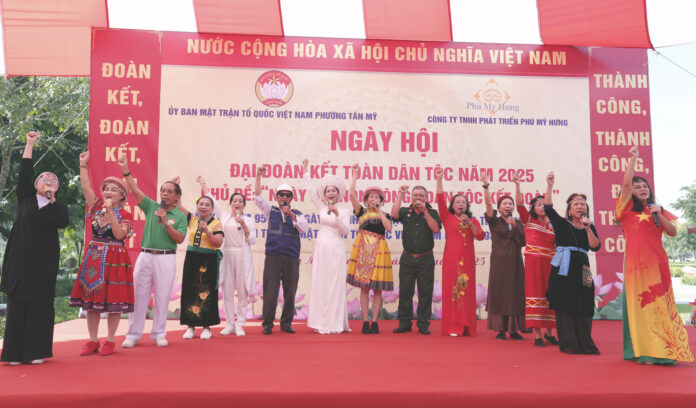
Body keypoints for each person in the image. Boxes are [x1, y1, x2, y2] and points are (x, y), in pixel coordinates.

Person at [617, 146, 693, 364]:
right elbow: (625, 184)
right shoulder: (625, 210)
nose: (642, 188)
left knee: (660, 307)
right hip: (636, 267)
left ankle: (664, 350)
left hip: (658, 265)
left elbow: (672, 232)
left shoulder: (657, 209)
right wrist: (633, 159)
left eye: (645, 186)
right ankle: (644, 351)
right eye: (637, 186)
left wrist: (659, 214)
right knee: (642, 307)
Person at [1, 131, 69, 365]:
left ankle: (35, 352)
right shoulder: (25, 198)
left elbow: (62, 222)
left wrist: (52, 200)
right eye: (43, 179)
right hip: (19, 263)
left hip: (43, 266)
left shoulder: (58, 207)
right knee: (17, 306)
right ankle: (13, 354)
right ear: (34, 184)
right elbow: (25, 171)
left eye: (53, 181)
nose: (48, 182)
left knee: (40, 307)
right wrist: (30, 143)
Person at [118, 154, 188, 348]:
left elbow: (180, 239)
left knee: (163, 297)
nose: (164, 194)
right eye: (163, 190)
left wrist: (166, 223)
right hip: (146, 255)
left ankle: (159, 333)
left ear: (177, 196)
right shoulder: (151, 206)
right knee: (138, 296)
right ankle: (133, 334)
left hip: (166, 258)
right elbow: (134, 189)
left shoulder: (180, 216)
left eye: (169, 191)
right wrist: (125, 169)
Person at [69, 152, 134, 356]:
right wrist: (82, 165)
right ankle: (93, 339)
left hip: (115, 258)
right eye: (106, 188)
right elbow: (85, 187)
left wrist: (110, 212)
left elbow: (119, 234)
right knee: (91, 300)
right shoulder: (96, 206)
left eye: (114, 189)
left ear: (122, 196)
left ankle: (110, 340)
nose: (108, 191)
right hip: (95, 257)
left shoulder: (126, 214)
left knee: (114, 302)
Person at [544, 172, 601, 355]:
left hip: (583, 268)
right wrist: (550, 186)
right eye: (576, 204)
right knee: (565, 303)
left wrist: (588, 229)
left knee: (585, 302)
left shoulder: (590, 226)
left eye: (582, 204)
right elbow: (548, 208)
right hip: (563, 268)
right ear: (569, 210)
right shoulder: (561, 223)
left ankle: (585, 343)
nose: (579, 206)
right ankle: (569, 344)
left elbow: (595, 246)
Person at [198, 177, 256, 337]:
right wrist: (203, 184)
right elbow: (212, 200)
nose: (237, 203)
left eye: (240, 201)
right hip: (227, 255)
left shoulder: (249, 220)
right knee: (228, 290)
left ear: (244, 205)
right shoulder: (223, 216)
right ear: (230, 204)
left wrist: (243, 224)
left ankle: (240, 324)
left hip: (242, 256)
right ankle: (230, 323)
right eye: (234, 201)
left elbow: (252, 240)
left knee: (243, 291)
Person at [255, 166, 309, 335]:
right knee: (270, 291)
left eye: (287, 195)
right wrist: (258, 176)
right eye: (281, 194)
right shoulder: (270, 210)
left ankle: (286, 323)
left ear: (291, 198)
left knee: (290, 292)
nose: (284, 197)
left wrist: (291, 214)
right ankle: (267, 323)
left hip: (292, 257)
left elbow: (304, 229)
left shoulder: (298, 214)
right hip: (273, 256)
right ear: (277, 196)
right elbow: (258, 197)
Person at [302, 160, 351, 334]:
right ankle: (321, 322)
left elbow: (345, 232)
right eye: (328, 191)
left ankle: (334, 323)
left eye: (333, 191)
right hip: (322, 249)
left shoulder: (344, 211)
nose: (330, 193)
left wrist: (337, 216)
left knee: (334, 284)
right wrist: (305, 172)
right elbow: (311, 192)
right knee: (321, 284)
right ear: (325, 194)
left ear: (338, 194)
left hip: (336, 249)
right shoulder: (321, 208)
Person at [434, 167, 484, 336]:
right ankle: (453, 327)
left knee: (466, 292)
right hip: (451, 260)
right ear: (452, 205)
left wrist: (469, 223)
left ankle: (467, 326)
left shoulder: (473, 220)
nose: (461, 204)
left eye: (463, 202)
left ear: (467, 206)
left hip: (467, 261)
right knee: (453, 291)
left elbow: (480, 236)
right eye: (457, 202)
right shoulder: (447, 218)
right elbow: (440, 199)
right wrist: (439, 179)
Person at [346, 163, 394, 334]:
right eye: (371, 197)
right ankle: (365, 321)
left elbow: (388, 228)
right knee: (364, 288)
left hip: (379, 251)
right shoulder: (361, 212)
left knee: (377, 288)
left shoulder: (385, 215)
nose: (374, 199)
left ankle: (375, 321)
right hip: (364, 252)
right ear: (366, 200)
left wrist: (379, 211)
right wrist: (354, 175)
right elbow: (351, 194)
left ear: (381, 200)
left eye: (377, 197)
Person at [511, 173, 558, 347]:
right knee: (536, 295)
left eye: (544, 204)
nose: (542, 207)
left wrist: (549, 186)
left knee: (551, 295)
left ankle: (549, 333)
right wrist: (517, 185)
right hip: (534, 263)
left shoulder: (553, 224)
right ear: (533, 208)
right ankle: (538, 334)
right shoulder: (528, 220)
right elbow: (519, 204)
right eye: (538, 204)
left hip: (551, 264)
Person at [392, 183, 442, 335]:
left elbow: (436, 229)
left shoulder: (432, 212)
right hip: (407, 258)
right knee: (405, 292)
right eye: (415, 195)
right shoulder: (406, 211)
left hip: (426, 259)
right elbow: (394, 215)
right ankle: (404, 323)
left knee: (425, 293)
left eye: (421, 196)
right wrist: (400, 194)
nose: (418, 198)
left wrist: (425, 211)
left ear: (426, 198)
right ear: (411, 197)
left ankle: (423, 324)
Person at [481, 172, 526, 340]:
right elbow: (488, 205)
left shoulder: (518, 222)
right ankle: (500, 329)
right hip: (499, 263)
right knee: (499, 293)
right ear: (499, 208)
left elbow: (522, 242)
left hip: (515, 263)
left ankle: (514, 330)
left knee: (514, 293)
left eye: (510, 203)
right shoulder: (495, 221)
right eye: (504, 203)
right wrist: (486, 186)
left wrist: (515, 226)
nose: (508, 206)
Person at [176, 189, 224, 340]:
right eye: (200, 204)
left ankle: (206, 326)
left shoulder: (216, 224)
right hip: (192, 258)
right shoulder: (192, 219)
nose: (203, 207)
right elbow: (178, 205)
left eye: (207, 205)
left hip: (208, 260)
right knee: (189, 290)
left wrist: (207, 232)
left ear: (212, 209)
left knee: (206, 291)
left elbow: (218, 243)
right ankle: (190, 326)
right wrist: (177, 187)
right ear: (197, 206)